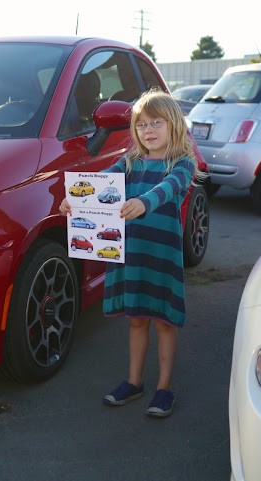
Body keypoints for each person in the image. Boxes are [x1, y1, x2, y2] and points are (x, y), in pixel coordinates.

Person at [59, 89, 201, 418]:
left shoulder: (182, 163)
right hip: (131, 254)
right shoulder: (130, 162)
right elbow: (102, 181)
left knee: (164, 322)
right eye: (141, 125)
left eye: (156, 123)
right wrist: (76, 199)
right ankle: (134, 381)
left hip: (161, 256)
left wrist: (144, 202)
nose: (148, 131)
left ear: (174, 125)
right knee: (136, 320)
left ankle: (164, 388)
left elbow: (170, 188)